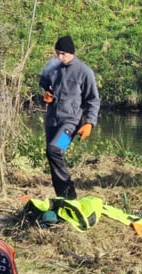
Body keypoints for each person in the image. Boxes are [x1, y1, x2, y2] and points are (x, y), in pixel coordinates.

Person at [39, 35, 101, 200]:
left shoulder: (84, 72)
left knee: (56, 149)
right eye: (57, 53)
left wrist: (89, 123)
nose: (60, 57)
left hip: (71, 123)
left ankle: (70, 195)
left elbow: (93, 100)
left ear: (71, 52)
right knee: (52, 155)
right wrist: (47, 93)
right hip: (52, 121)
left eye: (63, 54)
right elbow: (45, 83)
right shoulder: (53, 67)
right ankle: (62, 198)